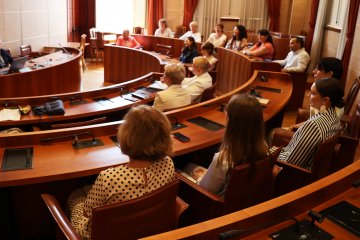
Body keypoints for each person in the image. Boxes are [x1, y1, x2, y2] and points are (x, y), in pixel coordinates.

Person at [66, 105, 176, 239]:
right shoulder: (168, 163)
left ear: (125, 136)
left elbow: (87, 213)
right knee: (90, 190)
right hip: (149, 227)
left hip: (101, 235)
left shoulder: (108, 178)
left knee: (75, 195)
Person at [185, 94, 269, 196]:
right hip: (244, 198)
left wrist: (199, 178)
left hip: (210, 204)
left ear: (230, 120)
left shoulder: (223, 159)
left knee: (184, 167)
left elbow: (205, 190)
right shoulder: (264, 147)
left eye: (226, 110)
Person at [277, 78, 344, 170]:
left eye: (313, 93)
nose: (308, 95)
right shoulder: (335, 118)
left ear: (325, 100)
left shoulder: (314, 126)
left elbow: (291, 162)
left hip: (291, 173)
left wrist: (271, 156)